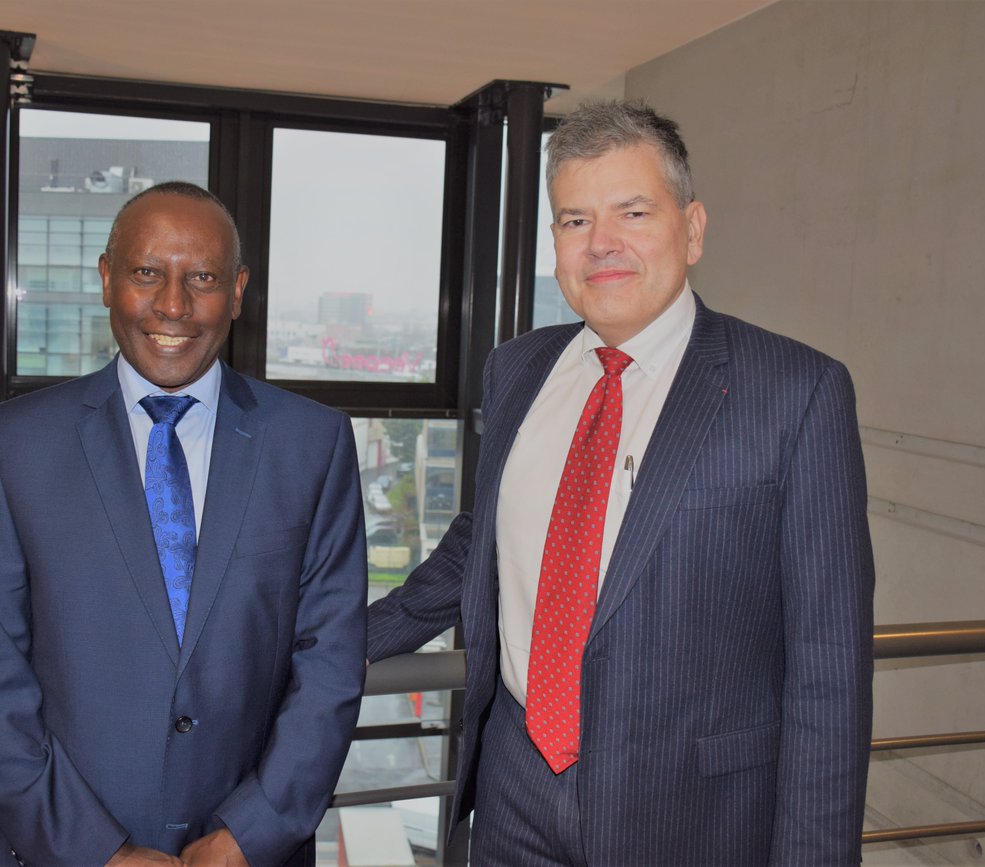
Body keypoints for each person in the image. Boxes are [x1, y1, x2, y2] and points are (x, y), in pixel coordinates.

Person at [367, 100, 875, 865]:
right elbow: (484, 541)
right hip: (513, 793)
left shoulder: (796, 392)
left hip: (692, 819)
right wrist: (346, 642)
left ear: (692, 229)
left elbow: (830, 669)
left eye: (633, 212)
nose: (601, 243)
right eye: (576, 220)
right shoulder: (517, 369)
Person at [0, 182, 368, 867]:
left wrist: (250, 833)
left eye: (203, 278)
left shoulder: (312, 444)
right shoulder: (13, 447)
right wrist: (98, 852)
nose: (173, 304)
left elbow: (330, 662)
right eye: (146, 273)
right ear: (107, 279)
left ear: (237, 290)